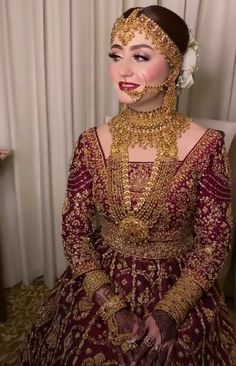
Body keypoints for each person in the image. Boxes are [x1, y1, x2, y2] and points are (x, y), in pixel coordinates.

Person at [19, 5, 236, 365]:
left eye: (140, 55)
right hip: (102, 277)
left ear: (174, 66)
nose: (123, 69)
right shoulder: (91, 142)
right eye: (116, 54)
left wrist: (170, 312)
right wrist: (110, 304)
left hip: (179, 282)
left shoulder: (206, 145)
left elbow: (214, 243)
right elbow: (74, 231)